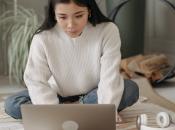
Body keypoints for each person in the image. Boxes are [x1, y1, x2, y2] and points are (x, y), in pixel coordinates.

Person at [4, 0, 139, 122]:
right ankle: (78, 111)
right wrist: (53, 111)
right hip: (57, 95)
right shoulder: (42, 38)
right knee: (12, 104)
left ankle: (76, 109)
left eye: (79, 16)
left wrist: (108, 109)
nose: (71, 25)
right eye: (62, 17)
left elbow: (110, 75)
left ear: (89, 11)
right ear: (54, 14)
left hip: (93, 93)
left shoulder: (108, 30)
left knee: (131, 89)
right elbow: (35, 80)